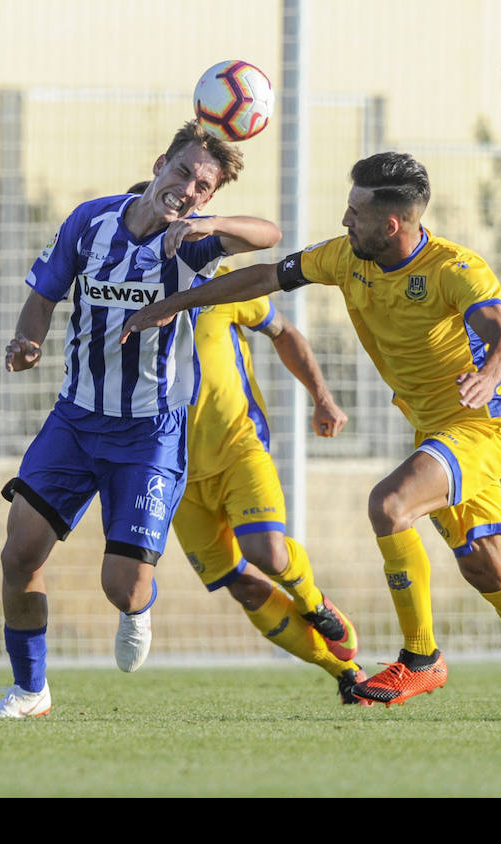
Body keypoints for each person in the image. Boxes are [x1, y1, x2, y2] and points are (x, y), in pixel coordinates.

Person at [119, 151, 501, 722]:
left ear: (391, 224)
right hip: (436, 429)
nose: (345, 219)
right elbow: (265, 277)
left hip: (480, 426)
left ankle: (420, 657)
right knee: (485, 566)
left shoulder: (455, 269)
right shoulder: (345, 258)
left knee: (389, 504)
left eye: (356, 211)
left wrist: (489, 375)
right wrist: (176, 303)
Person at [0, 121, 282, 718]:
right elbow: (46, 292)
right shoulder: (90, 221)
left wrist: (213, 225)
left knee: (121, 587)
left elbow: (270, 235)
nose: (188, 189)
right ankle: (30, 691)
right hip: (74, 421)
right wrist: (27, 339)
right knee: (19, 554)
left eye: (204, 186)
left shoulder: (192, 243)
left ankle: (139, 606)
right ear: (159, 164)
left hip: (149, 434)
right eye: (183, 172)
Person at [129, 182, 368, 704]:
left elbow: (284, 332)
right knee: (239, 582)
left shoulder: (222, 290)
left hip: (239, 448)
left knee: (269, 552)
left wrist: (322, 397)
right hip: (172, 472)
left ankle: (314, 604)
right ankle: (343, 675)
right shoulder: (121, 307)